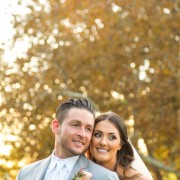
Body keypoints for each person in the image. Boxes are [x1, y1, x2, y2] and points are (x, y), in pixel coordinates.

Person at [16, 98, 119, 180]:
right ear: (56, 126)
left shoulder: (105, 177)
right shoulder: (25, 174)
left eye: (88, 129)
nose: (83, 134)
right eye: (75, 125)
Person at [88, 111, 153, 180]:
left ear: (120, 144)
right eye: (97, 135)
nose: (103, 142)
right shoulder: (81, 172)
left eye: (112, 137)